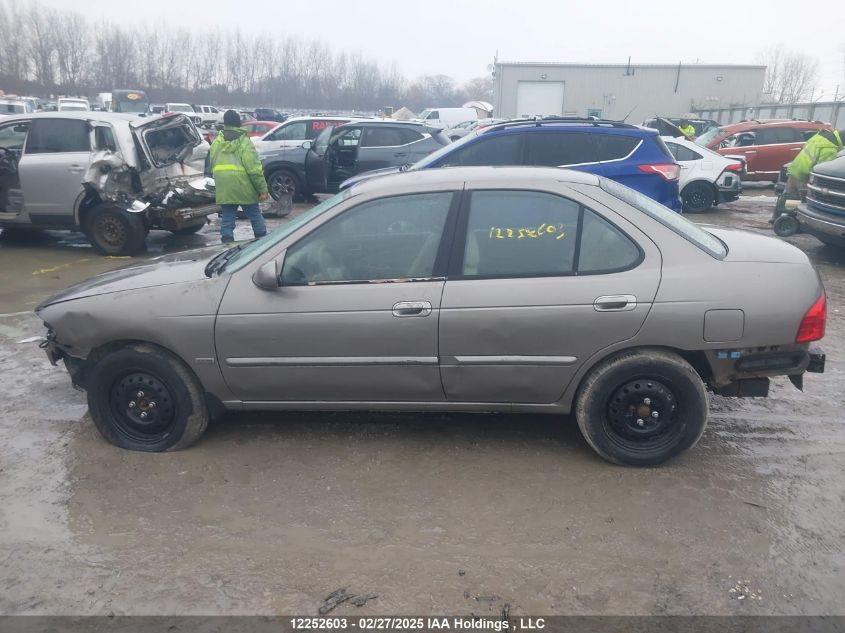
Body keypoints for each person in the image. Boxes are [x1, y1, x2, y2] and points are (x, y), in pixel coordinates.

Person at [209, 109, 269, 244]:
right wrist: (262, 189)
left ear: (225, 123)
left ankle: (226, 244)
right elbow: (254, 169)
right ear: (239, 123)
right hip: (243, 184)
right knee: (254, 214)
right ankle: (263, 243)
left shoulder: (217, 142)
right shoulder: (244, 142)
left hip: (224, 185)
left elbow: (211, 161)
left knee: (228, 217)